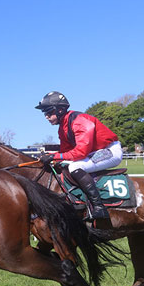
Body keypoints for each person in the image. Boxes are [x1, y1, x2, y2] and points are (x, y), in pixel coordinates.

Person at [35, 91, 122, 220]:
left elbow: (81, 152)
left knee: (75, 167)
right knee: (63, 166)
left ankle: (99, 207)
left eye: (48, 112)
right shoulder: (62, 128)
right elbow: (65, 152)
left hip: (109, 151)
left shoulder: (80, 121)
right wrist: (52, 157)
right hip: (94, 152)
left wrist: (54, 156)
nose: (46, 117)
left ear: (60, 110)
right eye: (45, 114)